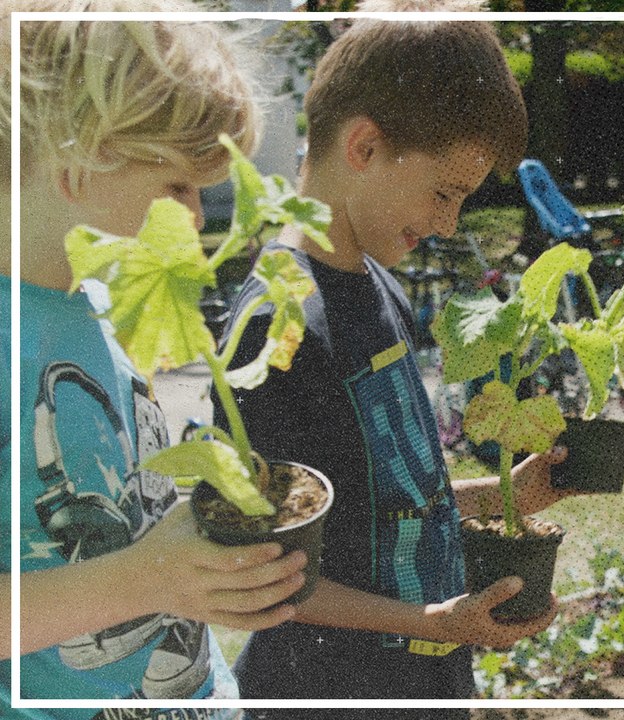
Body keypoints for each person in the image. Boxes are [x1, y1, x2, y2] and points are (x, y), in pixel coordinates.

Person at [213, 19, 573, 713]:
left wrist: (504, 496)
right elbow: (268, 570)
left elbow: (380, 505)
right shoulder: (277, 326)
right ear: (365, 147)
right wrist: (431, 624)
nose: (449, 224)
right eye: (443, 193)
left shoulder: (381, 287)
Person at [1, 4, 307, 715]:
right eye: (178, 187)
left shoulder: (101, 303)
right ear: (82, 159)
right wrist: (146, 581)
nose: (196, 217)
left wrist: (188, 569)